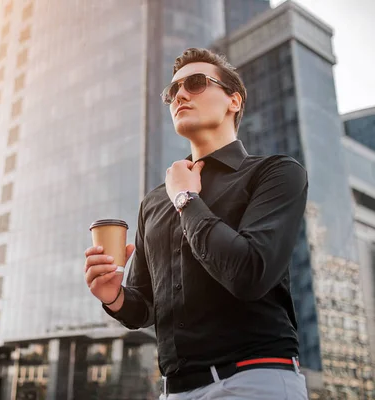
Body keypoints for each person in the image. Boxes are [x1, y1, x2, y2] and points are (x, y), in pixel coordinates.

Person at [84, 48, 309, 399]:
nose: (180, 95)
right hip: (174, 391)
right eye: (172, 91)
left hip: (255, 380)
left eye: (195, 83)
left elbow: (249, 274)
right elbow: (145, 306)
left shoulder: (276, 173)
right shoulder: (155, 201)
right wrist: (113, 296)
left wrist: (186, 200)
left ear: (233, 101)